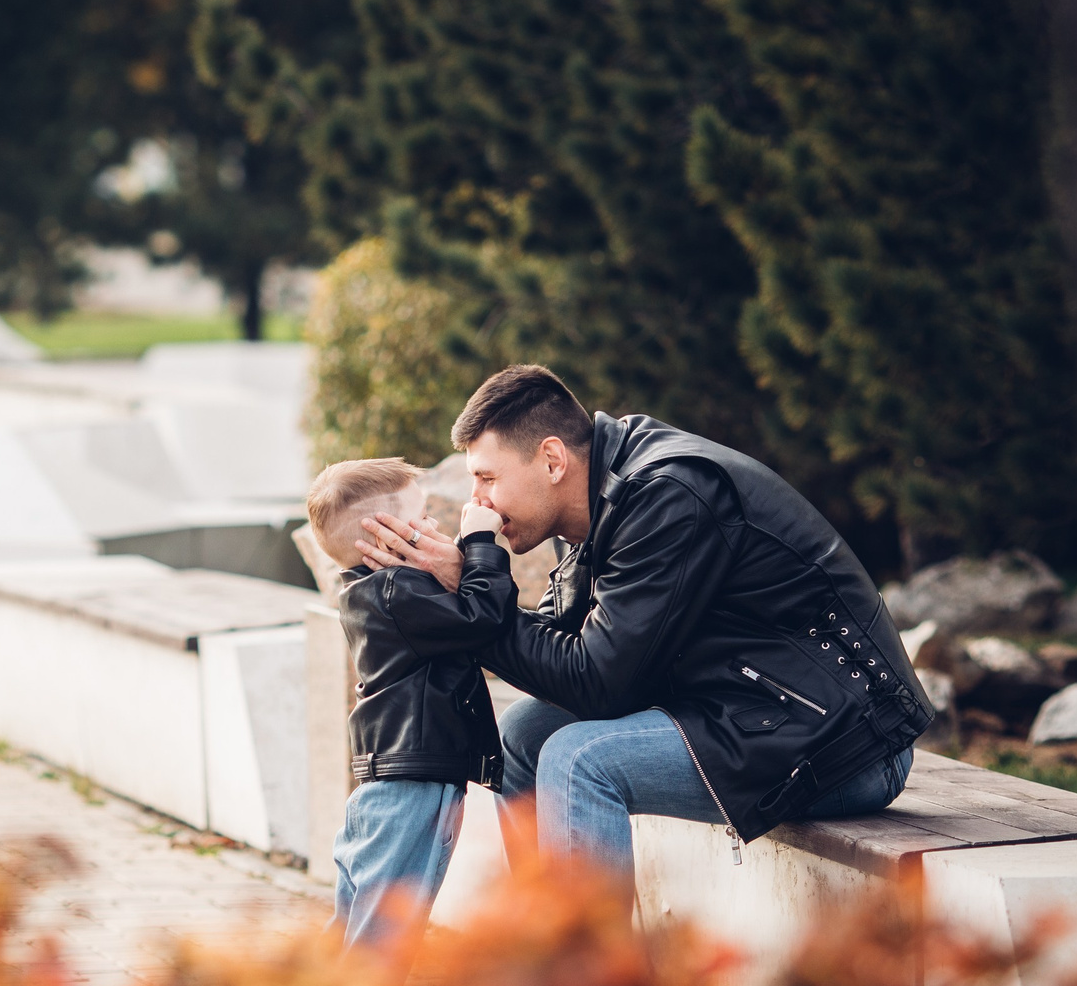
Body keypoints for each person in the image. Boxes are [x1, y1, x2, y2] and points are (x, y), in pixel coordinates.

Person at [358, 365, 929, 883]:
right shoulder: (604, 494)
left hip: (846, 742)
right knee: (524, 734)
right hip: (740, 708)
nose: (475, 504)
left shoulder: (668, 495)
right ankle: (542, 952)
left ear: (552, 461)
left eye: (486, 478)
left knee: (579, 759)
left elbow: (596, 681)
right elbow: (561, 651)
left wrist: (467, 592)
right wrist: (466, 595)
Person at [308, 456, 521, 949]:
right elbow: (482, 617)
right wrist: (480, 545)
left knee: (356, 922)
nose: (434, 525)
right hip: (412, 787)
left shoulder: (371, 593)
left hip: (388, 782)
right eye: (422, 517)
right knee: (384, 931)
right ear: (386, 537)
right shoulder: (396, 591)